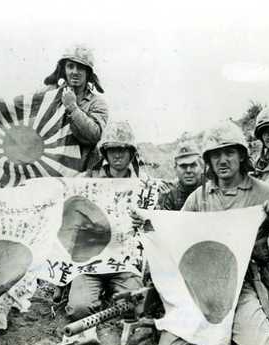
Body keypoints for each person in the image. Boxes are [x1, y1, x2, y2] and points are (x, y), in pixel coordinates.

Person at [135, 120, 269, 345]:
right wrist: (148, 223)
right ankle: (221, 335)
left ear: (241, 156)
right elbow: (176, 239)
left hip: (245, 283)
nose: (223, 160)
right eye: (216, 155)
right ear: (208, 161)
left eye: (229, 152)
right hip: (205, 288)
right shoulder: (198, 197)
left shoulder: (263, 191)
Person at [66, 121, 143, 321]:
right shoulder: (87, 181)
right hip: (91, 261)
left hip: (124, 262)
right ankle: (95, 294)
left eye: (122, 150)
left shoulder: (143, 186)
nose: (117, 155)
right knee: (79, 309)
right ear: (105, 153)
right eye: (112, 150)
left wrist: (142, 220)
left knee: (136, 307)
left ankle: (112, 293)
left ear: (131, 152)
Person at [44, 44, 109, 175]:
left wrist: (73, 108)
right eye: (70, 66)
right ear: (63, 70)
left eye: (80, 68)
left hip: (82, 173)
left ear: (88, 73)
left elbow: (94, 135)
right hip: (50, 170)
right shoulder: (50, 96)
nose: (75, 72)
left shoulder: (97, 103)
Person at [158, 141, 204, 210]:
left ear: (202, 167)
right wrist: (161, 203)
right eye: (183, 166)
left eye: (193, 165)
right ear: (175, 169)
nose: (188, 170)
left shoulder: (210, 187)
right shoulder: (169, 192)